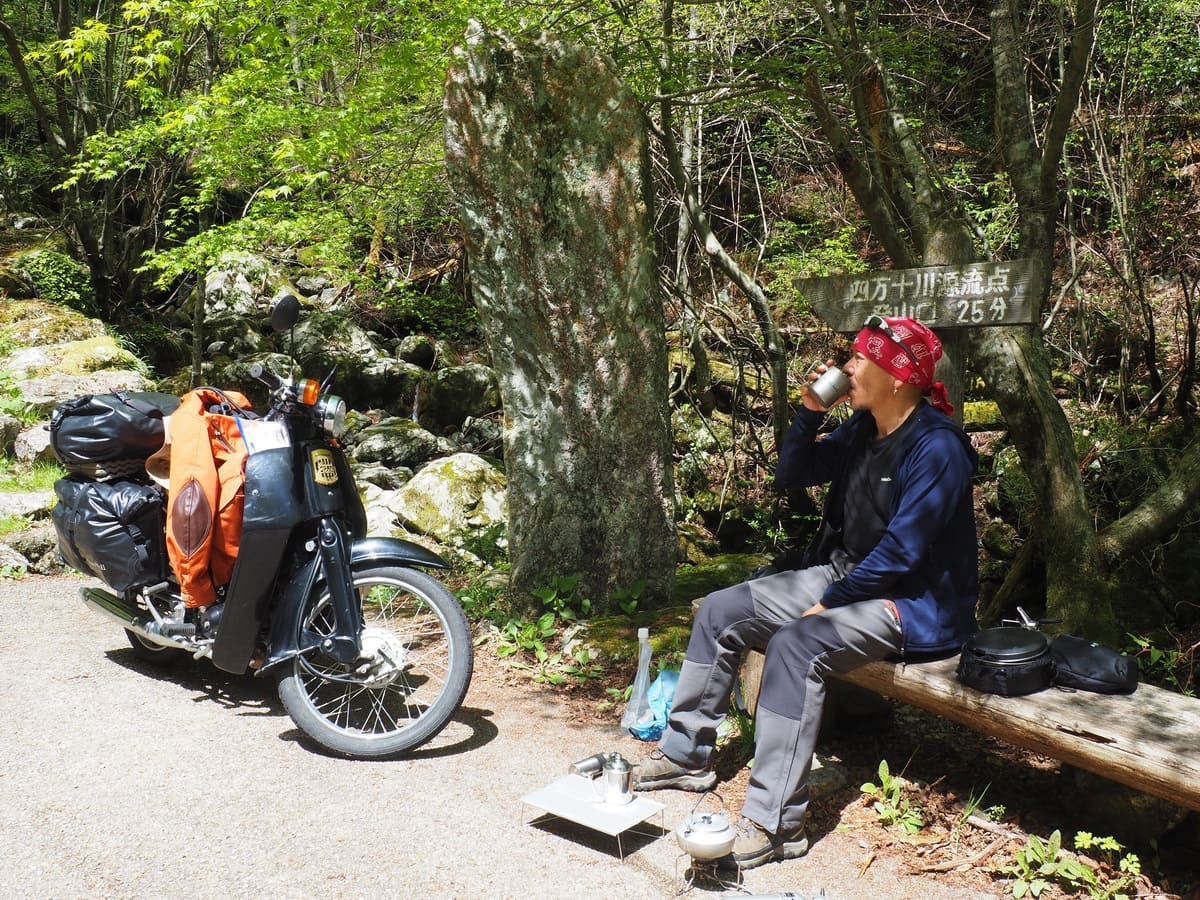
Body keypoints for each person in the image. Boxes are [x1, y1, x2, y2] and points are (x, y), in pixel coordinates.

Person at [635, 315, 979, 870]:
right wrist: (808, 414)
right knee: (723, 609)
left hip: (914, 602)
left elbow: (903, 553)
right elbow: (791, 474)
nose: (847, 367)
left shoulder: (938, 447)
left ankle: (776, 823)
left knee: (798, 644)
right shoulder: (863, 429)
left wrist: (832, 601)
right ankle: (684, 755)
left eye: (860, 359)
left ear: (896, 376)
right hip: (846, 576)